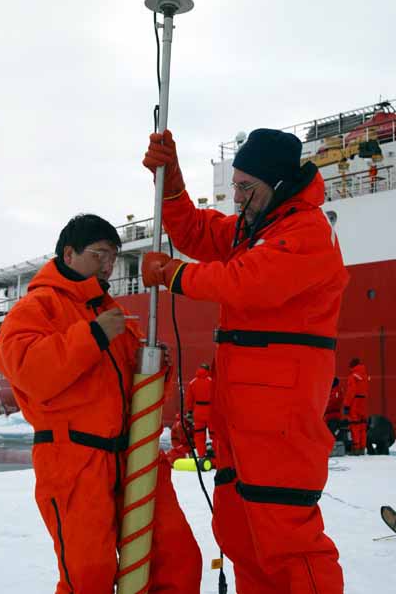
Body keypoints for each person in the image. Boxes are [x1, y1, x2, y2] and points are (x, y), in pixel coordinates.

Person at [141, 128, 349, 593]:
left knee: (287, 540)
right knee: (240, 534)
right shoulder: (257, 227)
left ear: (276, 184)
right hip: (243, 418)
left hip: (280, 417)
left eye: (244, 187)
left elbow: (245, 283)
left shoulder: (306, 231)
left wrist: (173, 275)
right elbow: (195, 231)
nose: (235, 197)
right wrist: (171, 182)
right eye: (233, 185)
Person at [0, 213, 202, 594]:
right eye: (101, 255)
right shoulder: (36, 309)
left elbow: (142, 396)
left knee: (176, 556)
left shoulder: (115, 315)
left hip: (133, 457)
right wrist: (92, 335)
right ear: (69, 254)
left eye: (113, 257)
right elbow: (30, 372)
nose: (109, 266)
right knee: (89, 573)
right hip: (75, 462)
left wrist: (156, 368)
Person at [185, 363, 214, 458]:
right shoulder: (212, 381)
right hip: (210, 411)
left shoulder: (192, 383)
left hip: (198, 411)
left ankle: (202, 455)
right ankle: (216, 455)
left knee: (199, 434)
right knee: (215, 434)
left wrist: (189, 411)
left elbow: (189, 400)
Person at [343, 358, 369, 456]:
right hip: (363, 401)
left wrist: (346, 405)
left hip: (355, 402)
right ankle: (362, 448)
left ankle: (356, 449)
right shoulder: (365, 375)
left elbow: (351, 392)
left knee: (354, 425)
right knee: (363, 424)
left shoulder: (353, 376)